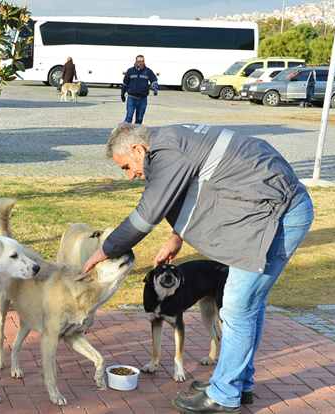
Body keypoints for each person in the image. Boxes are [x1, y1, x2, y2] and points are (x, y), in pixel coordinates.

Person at [82, 123, 314, 414]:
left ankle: (224, 395)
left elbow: (146, 214)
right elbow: (201, 188)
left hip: (277, 216)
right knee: (246, 306)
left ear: (138, 149)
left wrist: (103, 252)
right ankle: (238, 382)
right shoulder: (175, 140)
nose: (131, 175)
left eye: (127, 166)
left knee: (237, 308)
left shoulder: (167, 152)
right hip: (269, 211)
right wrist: (176, 237)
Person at [120, 55, 158, 124]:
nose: (141, 63)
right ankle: (126, 133)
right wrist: (122, 93)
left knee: (139, 119)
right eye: (139, 62)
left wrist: (155, 87)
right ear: (136, 62)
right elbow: (125, 83)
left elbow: (154, 80)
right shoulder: (130, 71)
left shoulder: (148, 71)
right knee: (129, 117)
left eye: (143, 61)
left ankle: (137, 133)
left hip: (142, 99)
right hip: (132, 98)